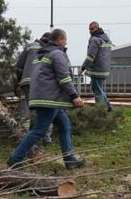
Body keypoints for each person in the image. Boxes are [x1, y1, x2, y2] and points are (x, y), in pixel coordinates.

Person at [8, 28, 86, 169]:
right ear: (60, 39)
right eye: (65, 39)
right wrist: (74, 96)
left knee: (65, 125)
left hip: (46, 97)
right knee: (39, 130)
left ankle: (70, 159)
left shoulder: (44, 53)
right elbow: (64, 77)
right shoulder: (57, 54)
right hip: (49, 99)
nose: (66, 42)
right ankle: (15, 158)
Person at [15, 32, 51, 120]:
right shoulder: (50, 50)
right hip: (41, 83)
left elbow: (19, 66)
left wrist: (20, 80)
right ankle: (41, 128)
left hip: (25, 83)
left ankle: (23, 128)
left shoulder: (30, 46)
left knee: (25, 109)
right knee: (43, 110)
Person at [79, 21, 113, 111]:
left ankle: (100, 111)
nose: (90, 31)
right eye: (89, 29)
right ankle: (109, 108)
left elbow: (91, 56)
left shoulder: (95, 40)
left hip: (97, 70)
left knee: (98, 92)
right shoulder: (107, 39)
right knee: (100, 89)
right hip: (105, 69)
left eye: (91, 29)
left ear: (97, 28)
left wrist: (82, 68)